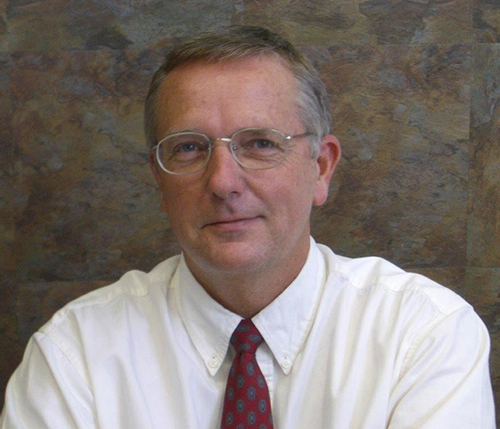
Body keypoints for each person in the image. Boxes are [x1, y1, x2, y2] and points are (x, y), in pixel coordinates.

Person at [1, 26, 495, 428]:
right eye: (189, 148)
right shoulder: (76, 355)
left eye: (259, 143)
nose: (223, 182)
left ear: (320, 168)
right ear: (158, 177)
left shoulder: (423, 334)